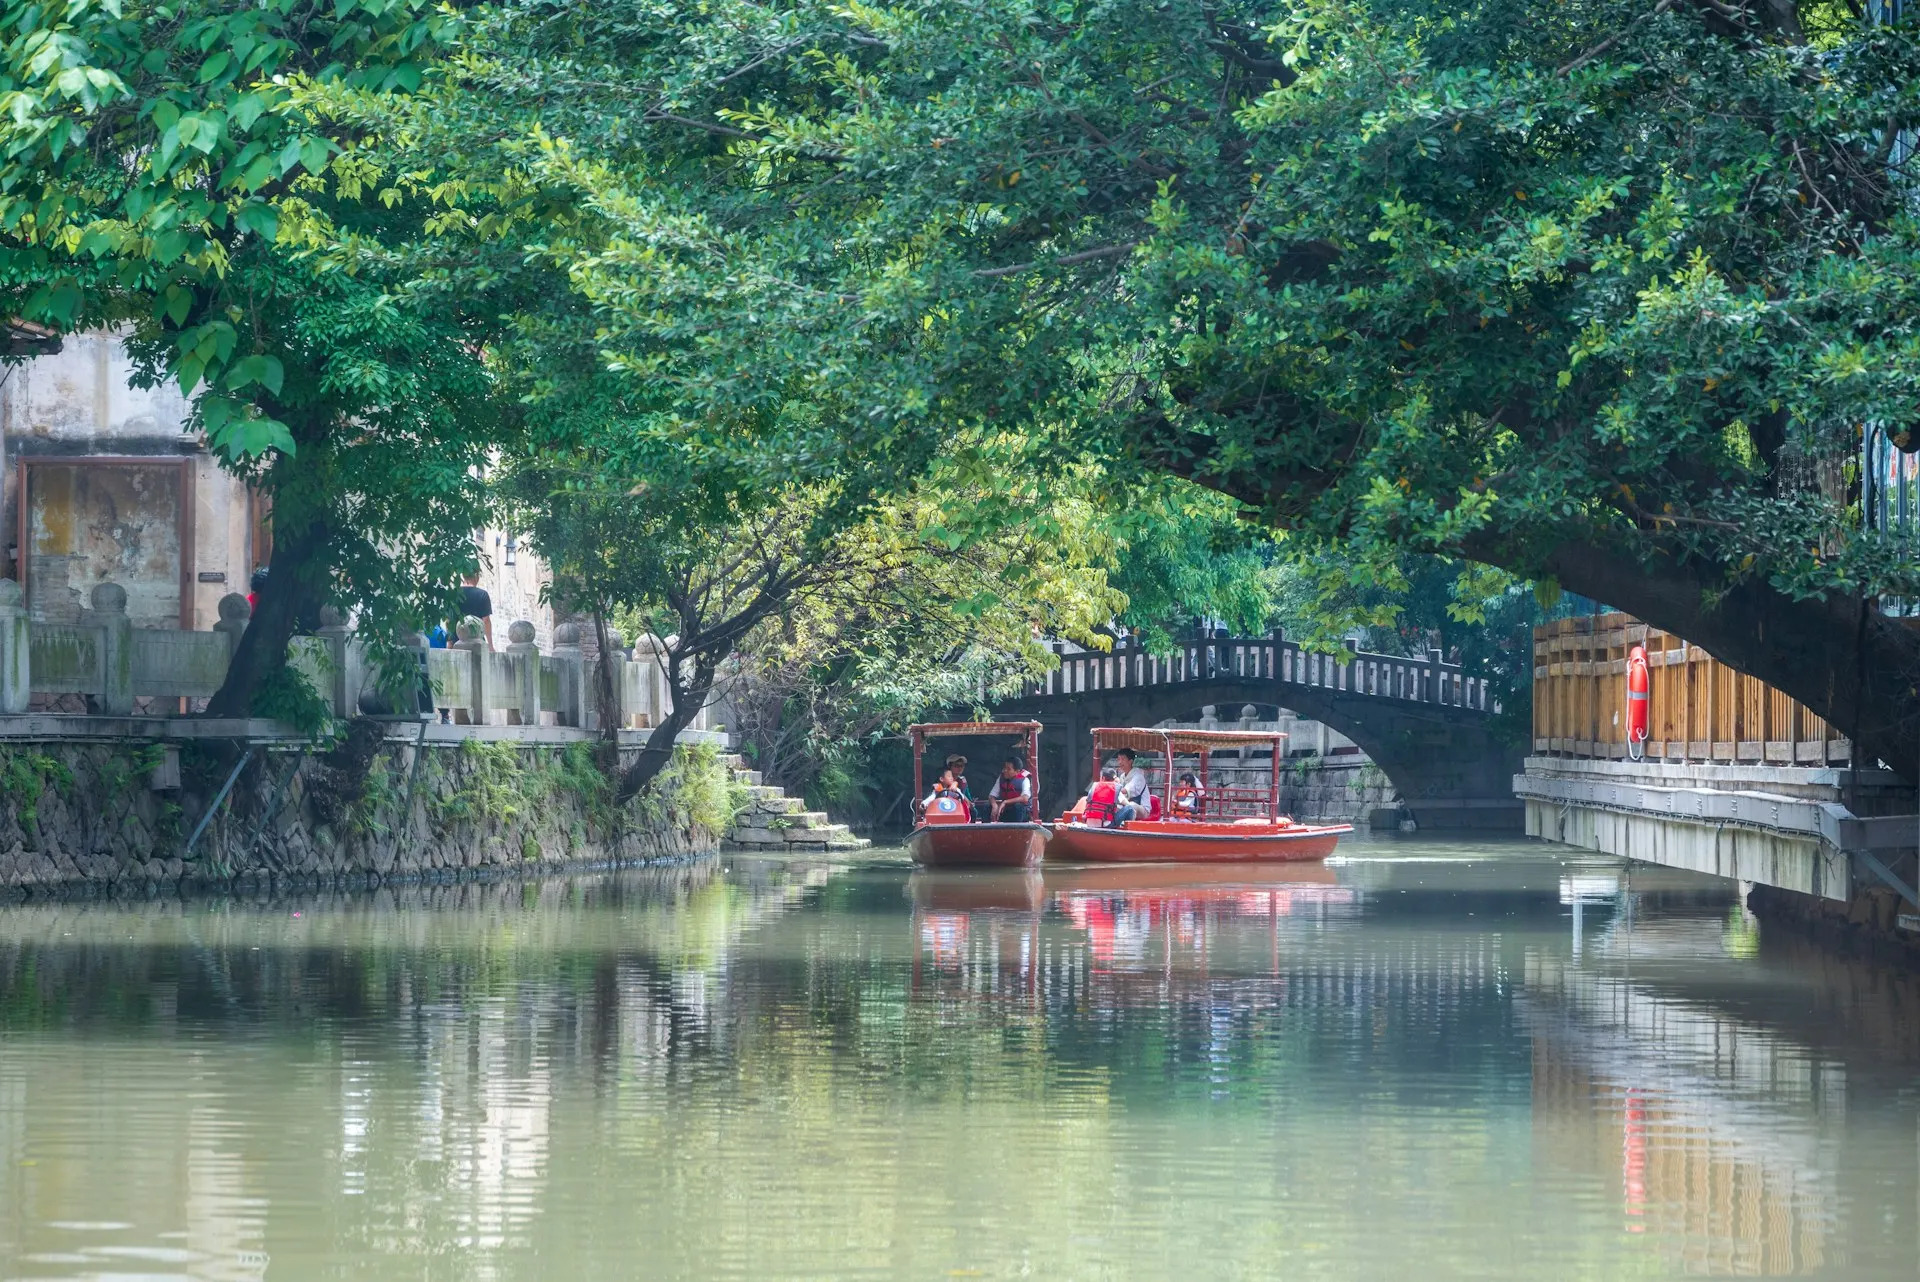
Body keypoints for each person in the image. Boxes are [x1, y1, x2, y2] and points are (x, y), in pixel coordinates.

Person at [987, 756, 1033, 823]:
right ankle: (987, 831)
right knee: (987, 807)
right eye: (1005, 767)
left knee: (1018, 807)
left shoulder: (1025, 780)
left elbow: (1025, 798)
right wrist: (994, 805)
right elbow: (992, 795)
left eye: (1008, 769)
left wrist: (1005, 802)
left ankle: (1017, 830)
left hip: (1021, 812)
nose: (1005, 770)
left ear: (1017, 771)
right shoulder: (1001, 778)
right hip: (1005, 809)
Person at [1112, 748, 1151, 825]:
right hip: (1126, 805)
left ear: (1130, 761)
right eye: (1118, 759)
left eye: (1123, 759)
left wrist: (1111, 788)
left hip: (1142, 809)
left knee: (1131, 806)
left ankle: (1129, 826)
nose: (1120, 762)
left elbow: (1126, 790)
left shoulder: (1138, 775)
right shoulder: (1122, 776)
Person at [458, 571, 493, 649]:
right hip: (477, 640)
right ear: (476, 577)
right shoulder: (482, 594)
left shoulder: (455, 593)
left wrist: (449, 641)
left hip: (457, 639)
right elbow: (486, 620)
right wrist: (490, 645)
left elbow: (449, 620)